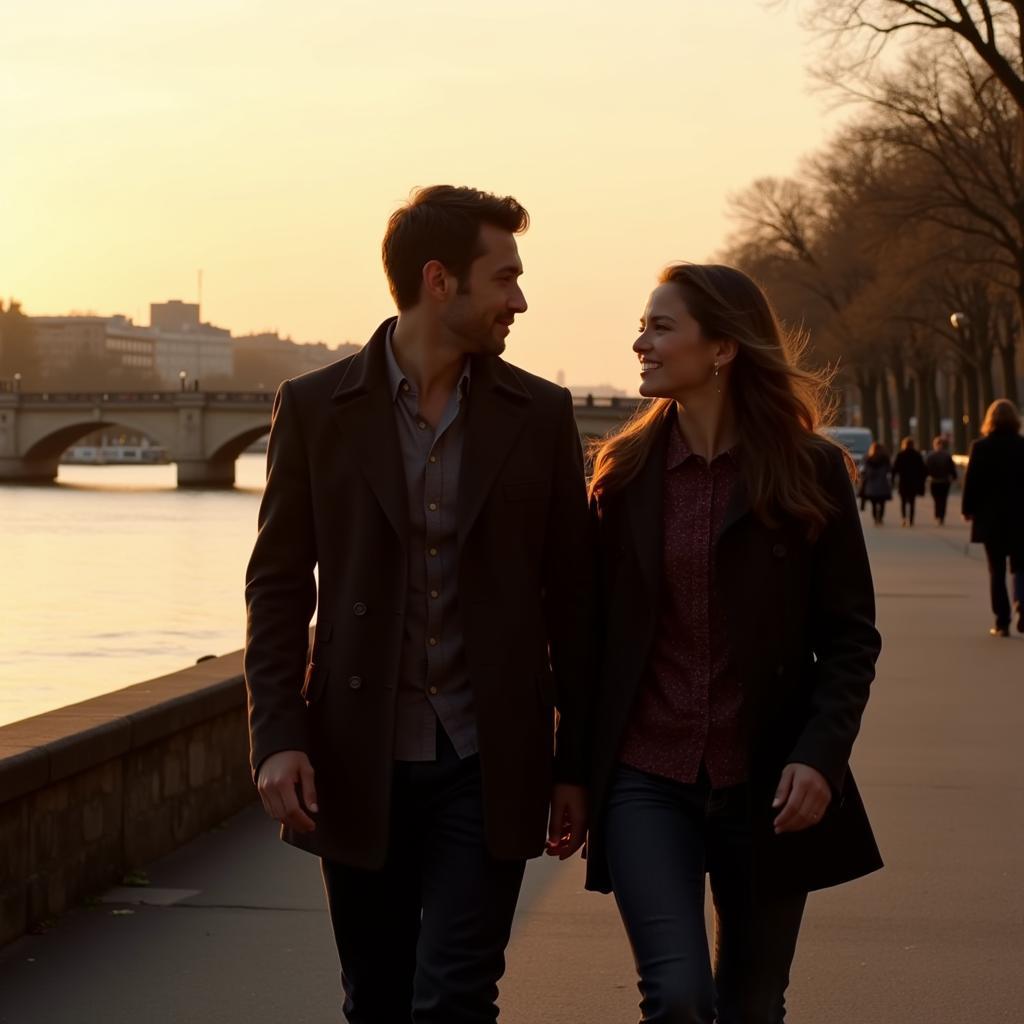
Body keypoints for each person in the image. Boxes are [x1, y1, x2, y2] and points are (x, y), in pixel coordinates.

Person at [244, 185, 591, 1023]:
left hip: (488, 758)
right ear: (440, 281)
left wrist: (575, 762)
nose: (520, 299)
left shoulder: (540, 415)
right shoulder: (317, 407)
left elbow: (575, 599)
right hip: (356, 758)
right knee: (377, 997)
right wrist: (278, 736)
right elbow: (280, 583)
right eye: (503, 277)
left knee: (458, 995)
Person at [585, 263, 883, 1024]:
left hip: (769, 782)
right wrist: (569, 775)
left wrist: (820, 757)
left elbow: (850, 639)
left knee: (753, 1004)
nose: (639, 342)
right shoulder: (621, 478)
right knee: (679, 996)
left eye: (660, 326)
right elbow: (586, 641)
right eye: (643, 325)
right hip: (646, 780)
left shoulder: (809, 471)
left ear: (722, 348)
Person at [960, 399, 1024, 637]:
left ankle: (1002, 620)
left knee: (996, 571)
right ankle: (1022, 603)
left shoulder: (980, 447)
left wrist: (968, 509)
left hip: (992, 519)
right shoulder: (1022, 446)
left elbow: (972, 482)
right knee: (1020, 567)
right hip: (1020, 518)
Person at [891, 436, 927, 526]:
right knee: (912, 501)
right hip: (913, 482)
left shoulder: (900, 455)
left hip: (903, 481)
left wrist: (892, 479)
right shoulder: (917, 455)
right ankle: (911, 520)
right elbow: (922, 469)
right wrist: (922, 480)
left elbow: (895, 469)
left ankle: (904, 518)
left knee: (903, 502)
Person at [924, 435, 957, 525]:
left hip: (934, 481)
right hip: (944, 481)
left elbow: (926, 469)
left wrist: (925, 477)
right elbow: (952, 468)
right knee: (943, 499)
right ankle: (941, 515)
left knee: (937, 499)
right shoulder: (947, 456)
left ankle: (938, 514)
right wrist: (954, 477)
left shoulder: (930, 456)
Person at [860, 442, 892, 525]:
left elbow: (864, 471)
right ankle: (880, 518)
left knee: (873, 504)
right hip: (882, 485)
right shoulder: (885, 459)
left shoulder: (868, 459)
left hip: (871, 486)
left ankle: (875, 518)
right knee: (882, 503)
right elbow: (889, 470)